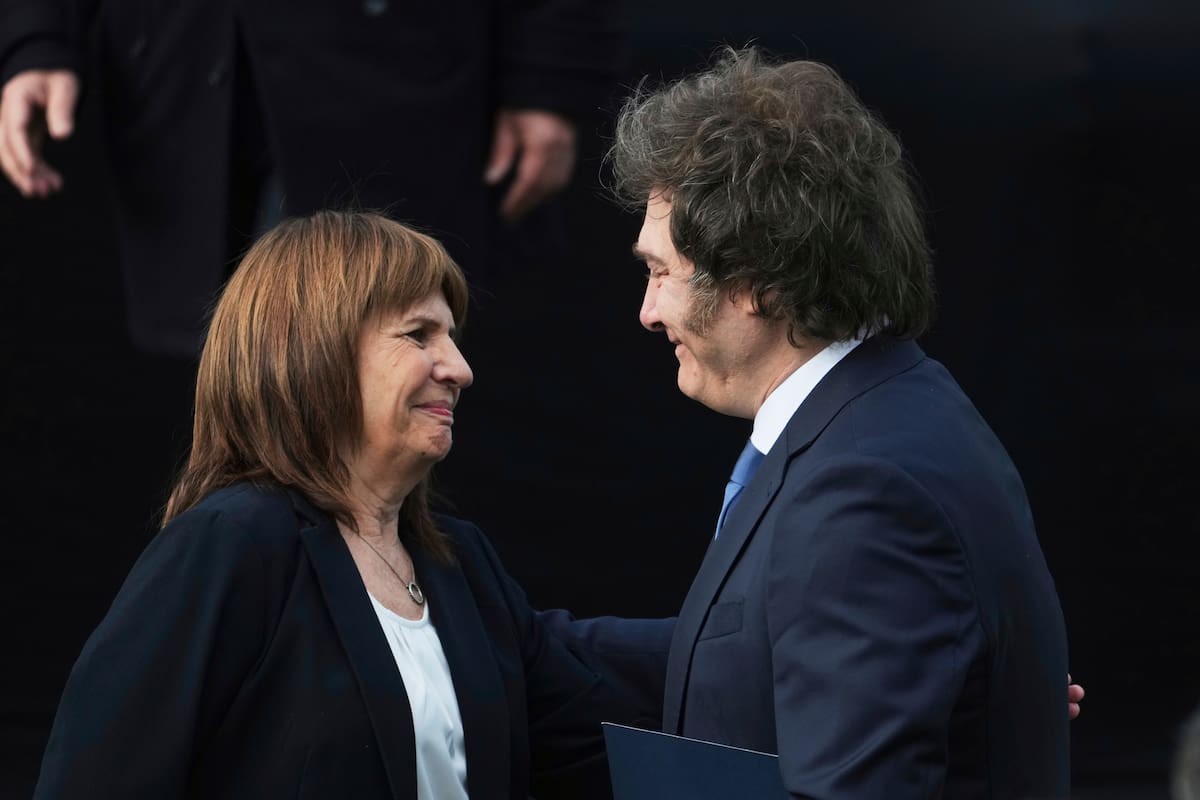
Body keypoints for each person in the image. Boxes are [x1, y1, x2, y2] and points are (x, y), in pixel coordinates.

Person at [31, 210, 664, 799]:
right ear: (313, 354)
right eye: (419, 334)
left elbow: (595, 700)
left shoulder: (457, 563)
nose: (460, 368)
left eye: (452, 336)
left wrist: (757, 618)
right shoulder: (232, 544)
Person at [610, 47, 1073, 797]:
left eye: (661, 272)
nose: (648, 310)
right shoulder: (895, 410)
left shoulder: (866, 490)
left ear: (753, 281)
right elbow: (757, 642)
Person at [0, 0, 620, 355]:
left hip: (391, 75)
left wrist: (548, 67)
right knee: (225, 410)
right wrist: (37, 33)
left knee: (379, 368)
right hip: (180, 72)